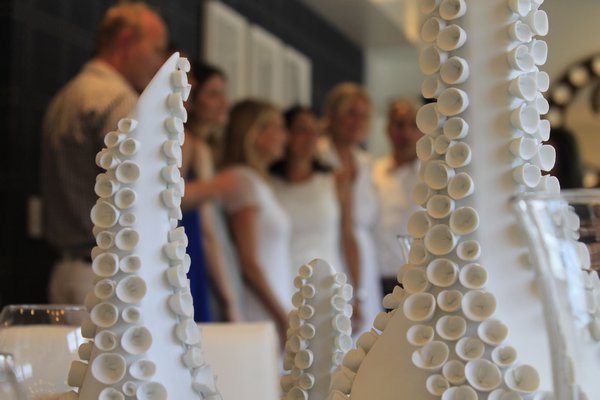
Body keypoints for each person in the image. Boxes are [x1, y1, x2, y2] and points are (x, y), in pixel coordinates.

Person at [41, 3, 168, 305]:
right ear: (126, 41)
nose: (159, 63)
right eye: (156, 49)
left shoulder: (67, 95)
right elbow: (146, 192)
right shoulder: (119, 101)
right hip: (108, 279)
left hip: (65, 272)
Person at [217, 99, 292, 343]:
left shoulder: (259, 183)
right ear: (255, 134)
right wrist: (282, 316)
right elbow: (248, 262)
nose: (284, 136)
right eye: (277, 128)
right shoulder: (243, 181)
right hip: (260, 308)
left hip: (274, 299)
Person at [180, 61, 242, 322]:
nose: (223, 103)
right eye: (213, 93)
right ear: (193, 99)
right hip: (191, 253)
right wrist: (229, 297)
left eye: (223, 94)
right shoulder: (188, 143)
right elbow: (176, 200)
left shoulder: (204, 146)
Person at [319, 82, 382, 335]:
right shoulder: (318, 155)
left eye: (364, 115)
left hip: (364, 255)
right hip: (329, 243)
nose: (358, 121)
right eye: (351, 113)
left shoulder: (367, 163)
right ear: (332, 116)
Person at [270, 106, 359, 280]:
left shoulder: (335, 180)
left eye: (315, 131)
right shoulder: (270, 184)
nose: (310, 138)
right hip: (284, 280)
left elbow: (348, 237)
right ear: (286, 134)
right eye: (302, 130)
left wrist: (358, 292)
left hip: (329, 283)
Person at [373, 99, 422, 296]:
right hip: (375, 279)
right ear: (388, 129)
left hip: (417, 281)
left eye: (414, 125)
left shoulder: (432, 177)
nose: (406, 133)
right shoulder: (373, 171)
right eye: (400, 124)